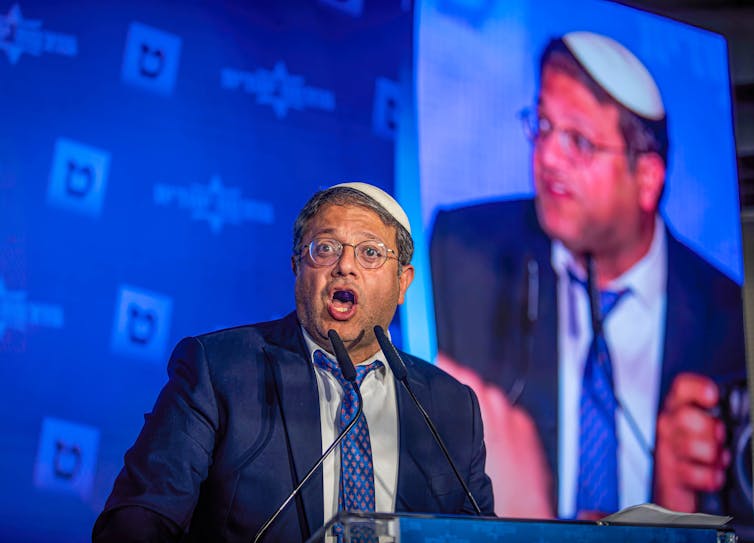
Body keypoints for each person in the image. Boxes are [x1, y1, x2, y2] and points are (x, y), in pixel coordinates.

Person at [430, 31, 747, 521]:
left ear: (647, 179)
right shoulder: (465, 253)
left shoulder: (726, 315)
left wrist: (675, 518)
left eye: (578, 141)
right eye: (543, 125)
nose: (547, 157)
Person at [93, 182, 494, 542]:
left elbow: (481, 533)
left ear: (403, 282)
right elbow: (139, 518)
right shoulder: (218, 370)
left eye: (370, 253)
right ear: (297, 268)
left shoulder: (450, 405)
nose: (345, 266)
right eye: (325, 249)